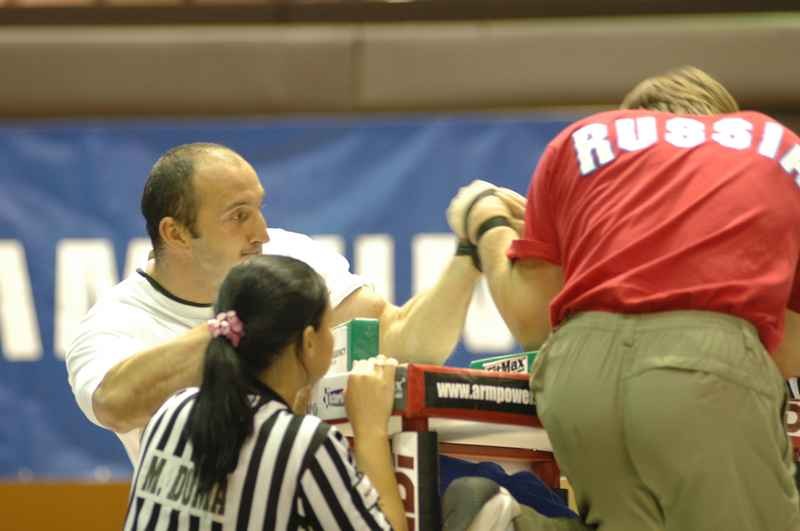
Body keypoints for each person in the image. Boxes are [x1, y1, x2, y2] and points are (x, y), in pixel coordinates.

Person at [447, 66, 800, 530]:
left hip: (578, 372)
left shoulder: (581, 141)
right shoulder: (774, 148)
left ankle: (508, 524)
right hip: (706, 372)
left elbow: (531, 321)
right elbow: (789, 352)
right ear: (722, 121)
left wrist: (487, 222)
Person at [66, 142, 480, 462]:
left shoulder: (289, 256)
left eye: (259, 208)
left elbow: (403, 340)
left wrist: (469, 256)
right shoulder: (116, 320)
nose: (261, 232)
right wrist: (237, 324)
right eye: (238, 216)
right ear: (175, 234)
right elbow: (113, 405)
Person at [123, 254, 406, 530]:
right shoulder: (306, 444)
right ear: (309, 342)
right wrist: (370, 431)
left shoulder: (172, 410)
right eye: (328, 328)